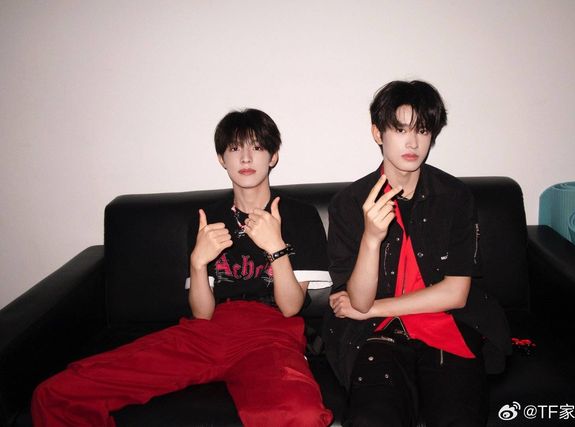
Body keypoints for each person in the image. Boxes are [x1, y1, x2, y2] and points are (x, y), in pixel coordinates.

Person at [32, 108, 333, 427]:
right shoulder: (206, 219)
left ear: (273, 156)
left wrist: (276, 248)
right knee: (58, 393)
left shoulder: (299, 216)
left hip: (270, 332)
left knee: (300, 413)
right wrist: (197, 262)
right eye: (234, 148)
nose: (246, 158)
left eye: (257, 147)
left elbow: (290, 307)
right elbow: (202, 314)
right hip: (208, 331)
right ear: (222, 159)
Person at [323, 81, 510, 427]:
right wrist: (371, 239)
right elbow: (358, 302)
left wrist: (374, 308)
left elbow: (455, 293)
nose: (412, 143)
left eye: (422, 130)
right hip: (378, 332)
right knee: (372, 419)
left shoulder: (454, 197)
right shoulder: (348, 204)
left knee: (458, 416)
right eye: (400, 129)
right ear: (377, 133)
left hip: (448, 323)